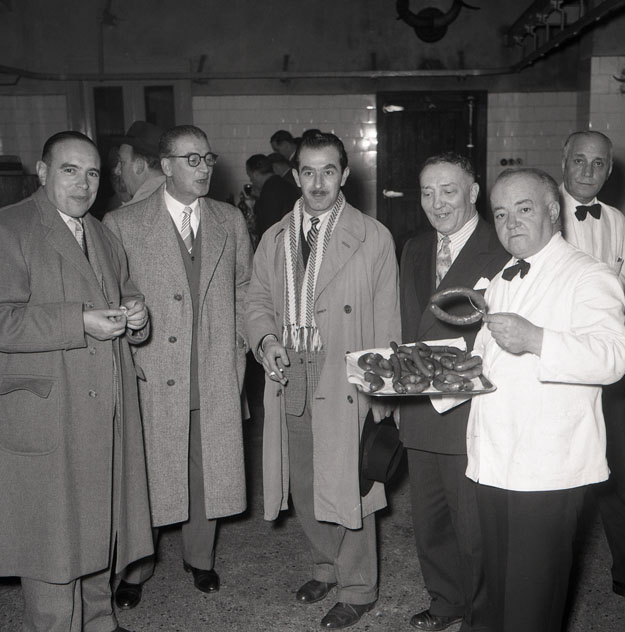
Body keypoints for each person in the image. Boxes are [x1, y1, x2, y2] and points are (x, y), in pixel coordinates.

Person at [246, 131, 400, 630]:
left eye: (328, 171)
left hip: (347, 371)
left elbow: (387, 317)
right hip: (290, 369)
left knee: (349, 482)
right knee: (305, 480)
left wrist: (383, 392)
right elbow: (257, 300)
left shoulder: (373, 236)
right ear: (294, 176)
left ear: (344, 175)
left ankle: (358, 588)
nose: (318, 183)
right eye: (308, 172)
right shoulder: (275, 238)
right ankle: (326, 566)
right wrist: (266, 339)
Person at [0, 131, 152, 632]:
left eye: (92, 173)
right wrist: (78, 321)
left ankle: (101, 623)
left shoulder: (102, 235)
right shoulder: (10, 227)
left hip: (103, 415)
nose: (83, 184)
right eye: (70, 170)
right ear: (43, 172)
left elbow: (125, 293)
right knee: (52, 550)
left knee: (98, 536)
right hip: (49, 415)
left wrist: (136, 314)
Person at [467, 167, 625, 632]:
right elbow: (487, 361)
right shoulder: (500, 280)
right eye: (501, 213)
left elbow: (614, 358)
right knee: (499, 592)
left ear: (553, 211)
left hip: (548, 466)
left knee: (532, 604)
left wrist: (537, 339)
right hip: (494, 459)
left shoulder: (589, 275)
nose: (511, 222)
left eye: (524, 209)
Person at [103, 124, 253, 610]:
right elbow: (114, 294)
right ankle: (135, 567)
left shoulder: (229, 220)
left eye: (207, 158)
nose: (204, 168)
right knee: (145, 473)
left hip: (212, 368)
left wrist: (237, 345)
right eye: (192, 159)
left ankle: (199, 557)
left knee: (207, 468)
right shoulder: (122, 224)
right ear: (165, 166)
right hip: (152, 371)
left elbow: (244, 287)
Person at [400, 153, 509, 631]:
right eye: (427, 192)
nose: (437, 202)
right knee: (429, 518)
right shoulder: (414, 247)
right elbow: (408, 323)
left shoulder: (501, 246)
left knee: (474, 525)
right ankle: (445, 601)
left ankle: (481, 615)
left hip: (471, 408)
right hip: (418, 405)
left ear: (473, 192)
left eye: (448, 190)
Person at [560, 130, 625, 599]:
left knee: (624, 470)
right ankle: (555, 577)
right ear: (564, 162)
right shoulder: (543, 211)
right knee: (565, 476)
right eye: (580, 160)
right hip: (562, 366)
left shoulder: (616, 220)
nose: (588, 171)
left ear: (609, 170)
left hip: (610, 365)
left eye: (598, 163)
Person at [245, 153, 299, 240]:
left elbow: (269, 227)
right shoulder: (284, 184)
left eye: (250, 177)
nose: (251, 181)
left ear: (255, 174)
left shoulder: (268, 191)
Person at [112, 120, 166, 208]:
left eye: (122, 162)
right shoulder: (185, 200)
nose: (117, 171)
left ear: (139, 166)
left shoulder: (125, 214)